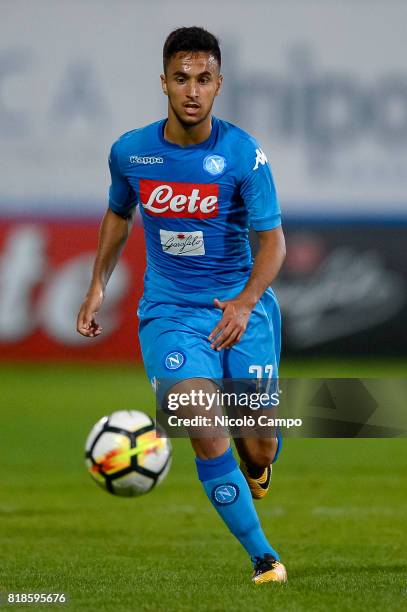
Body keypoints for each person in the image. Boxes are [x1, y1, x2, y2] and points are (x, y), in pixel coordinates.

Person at [77, 26, 287, 584]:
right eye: (180, 79)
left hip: (241, 309)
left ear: (219, 83)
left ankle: (259, 461)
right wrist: (99, 284)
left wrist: (244, 302)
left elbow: (273, 244)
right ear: (163, 83)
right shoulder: (131, 151)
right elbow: (119, 213)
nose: (191, 91)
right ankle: (264, 558)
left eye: (203, 80)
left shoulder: (244, 155)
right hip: (171, 314)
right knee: (199, 417)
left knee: (260, 445)